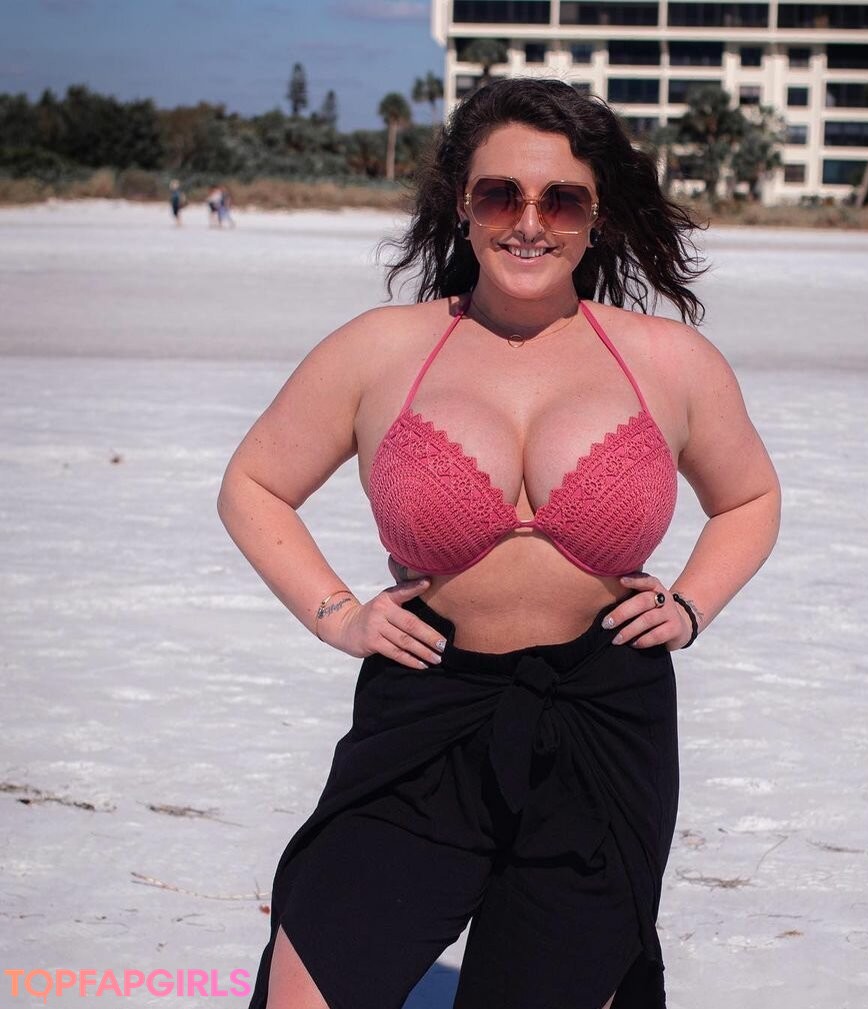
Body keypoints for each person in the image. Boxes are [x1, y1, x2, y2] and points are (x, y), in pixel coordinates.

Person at [218, 77, 780, 1009]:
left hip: (602, 718)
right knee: (311, 982)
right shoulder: (381, 349)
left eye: (561, 200)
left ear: (597, 216)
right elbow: (253, 484)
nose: (529, 221)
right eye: (499, 194)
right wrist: (339, 616)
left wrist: (691, 604)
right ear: (461, 204)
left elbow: (750, 497)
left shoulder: (669, 361)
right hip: (424, 711)